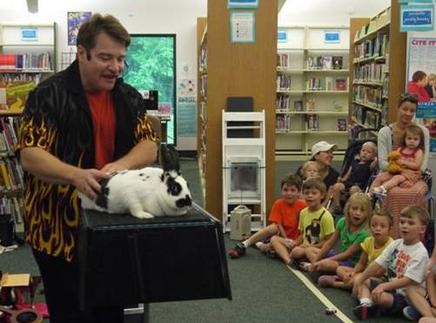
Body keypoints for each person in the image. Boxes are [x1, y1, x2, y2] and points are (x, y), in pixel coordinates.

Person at [17, 14, 159, 323]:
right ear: (82, 53)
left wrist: (117, 167)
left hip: (112, 229)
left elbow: (149, 145)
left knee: (111, 312)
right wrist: (77, 175)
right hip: (57, 229)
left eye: (121, 59)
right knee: (70, 313)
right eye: (106, 58)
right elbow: (30, 154)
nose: (116, 67)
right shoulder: (48, 94)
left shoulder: (128, 96)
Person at [352, 206, 430, 320]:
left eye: (410, 223)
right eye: (402, 222)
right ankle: (366, 304)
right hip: (390, 285)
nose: (404, 226)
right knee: (361, 280)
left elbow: (408, 280)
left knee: (382, 297)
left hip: (404, 295)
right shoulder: (396, 244)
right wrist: (360, 280)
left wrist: (383, 286)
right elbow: (377, 263)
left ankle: (373, 303)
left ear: (422, 229)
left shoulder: (420, 252)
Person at [376, 93, 430, 237]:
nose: (408, 113)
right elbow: (382, 162)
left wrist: (409, 176)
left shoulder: (422, 131)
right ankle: (392, 235)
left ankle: (415, 237)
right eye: (404, 109)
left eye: (412, 111)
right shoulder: (385, 132)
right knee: (393, 193)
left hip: (415, 176)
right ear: (397, 108)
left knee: (417, 193)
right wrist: (402, 173)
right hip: (392, 175)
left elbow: (423, 162)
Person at [227, 174, 306, 258]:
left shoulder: (304, 205)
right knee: (273, 227)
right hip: (281, 237)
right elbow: (278, 225)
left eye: (293, 190)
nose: (289, 193)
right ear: (281, 191)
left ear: (299, 192)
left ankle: (259, 243)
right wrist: (285, 239)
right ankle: (245, 243)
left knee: (270, 249)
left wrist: (296, 242)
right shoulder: (278, 203)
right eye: (285, 190)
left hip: (297, 240)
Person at [305, 193, 372, 286]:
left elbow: (347, 254)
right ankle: (317, 267)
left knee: (327, 265)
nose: (358, 213)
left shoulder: (365, 233)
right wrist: (317, 260)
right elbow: (329, 244)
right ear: (348, 209)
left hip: (351, 264)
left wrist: (324, 261)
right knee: (309, 250)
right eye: (354, 209)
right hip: (339, 257)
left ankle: (324, 270)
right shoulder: (342, 222)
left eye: (362, 210)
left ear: (367, 214)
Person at [336, 208, 394, 290]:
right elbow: (361, 263)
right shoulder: (368, 241)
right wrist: (353, 272)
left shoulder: (391, 246)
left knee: (359, 279)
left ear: (390, 229)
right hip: (366, 273)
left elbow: (380, 273)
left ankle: (340, 284)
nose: (377, 229)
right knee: (340, 269)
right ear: (370, 227)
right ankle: (352, 283)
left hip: (381, 278)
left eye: (382, 226)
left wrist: (362, 276)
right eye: (374, 225)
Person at [286, 178, 335, 268]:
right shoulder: (303, 212)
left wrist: (312, 246)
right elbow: (303, 234)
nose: (310, 196)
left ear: (322, 195)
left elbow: (329, 241)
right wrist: (296, 243)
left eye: (314, 193)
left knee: (308, 251)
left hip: (320, 249)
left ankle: (316, 266)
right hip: (306, 247)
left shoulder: (326, 216)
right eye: (307, 193)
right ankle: (305, 263)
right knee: (295, 251)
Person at [370, 124, 425, 196]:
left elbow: (417, 165)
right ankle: (369, 194)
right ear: (404, 139)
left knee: (397, 178)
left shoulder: (418, 151)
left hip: (410, 174)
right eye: (409, 138)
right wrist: (392, 163)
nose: (412, 141)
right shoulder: (400, 149)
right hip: (398, 171)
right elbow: (394, 159)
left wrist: (403, 162)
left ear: (420, 141)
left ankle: (382, 189)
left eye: (415, 139)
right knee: (380, 176)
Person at [329, 141, 377, 212]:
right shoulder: (354, 162)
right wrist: (342, 179)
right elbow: (348, 174)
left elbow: (376, 163)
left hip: (360, 186)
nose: (365, 153)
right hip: (348, 183)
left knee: (353, 189)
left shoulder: (370, 165)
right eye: (363, 151)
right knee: (337, 186)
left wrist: (376, 159)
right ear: (359, 152)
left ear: (373, 156)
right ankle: (337, 205)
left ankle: (350, 206)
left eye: (369, 152)